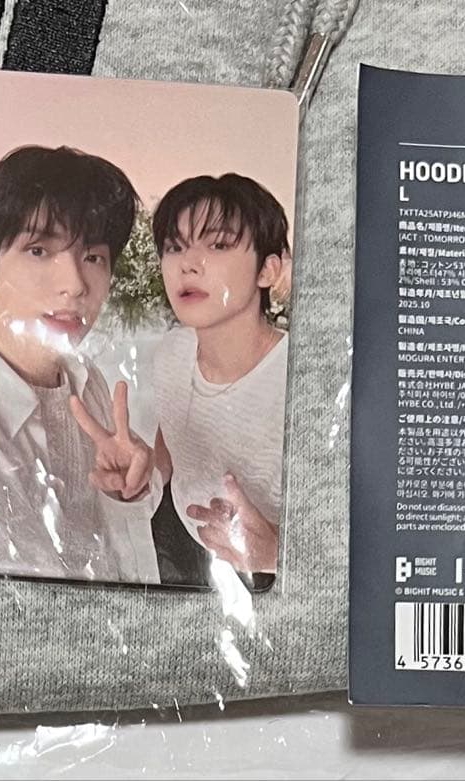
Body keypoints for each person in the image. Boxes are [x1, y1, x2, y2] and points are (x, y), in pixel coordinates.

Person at [0, 145, 161, 583]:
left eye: (93, 257)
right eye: (39, 250)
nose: (75, 284)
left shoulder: (86, 381)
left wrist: (130, 489)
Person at [150, 173, 291, 580]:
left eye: (218, 245)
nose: (187, 264)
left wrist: (277, 554)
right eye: (175, 247)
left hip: (266, 573)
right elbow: (170, 433)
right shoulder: (172, 350)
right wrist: (144, 478)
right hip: (176, 537)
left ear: (267, 270)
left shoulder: (300, 381)